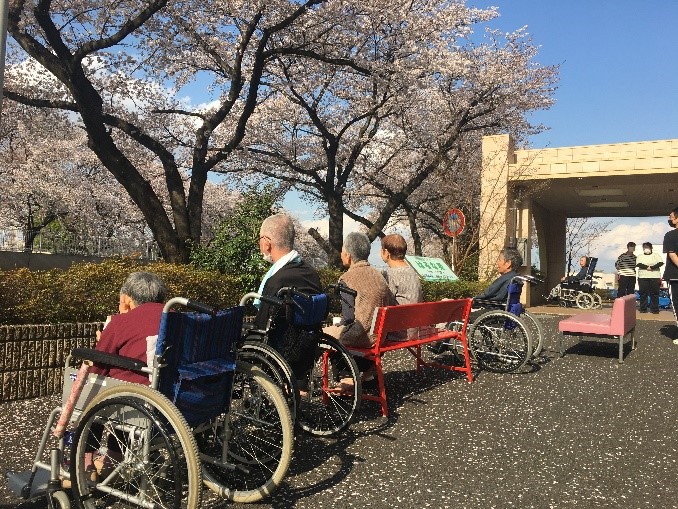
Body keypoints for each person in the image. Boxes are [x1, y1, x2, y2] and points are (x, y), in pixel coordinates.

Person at [252, 213, 322, 374]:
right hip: (306, 353)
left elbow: (260, 326)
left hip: (278, 355)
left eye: (260, 239)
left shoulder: (276, 281)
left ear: (267, 243)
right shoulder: (311, 274)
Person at [90, 271, 167, 385]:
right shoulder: (180, 319)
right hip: (174, 389)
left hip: (131, 389)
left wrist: (104, 340)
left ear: (127, 299)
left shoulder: (121, 322)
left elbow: (98, 369)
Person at [324, 232, 395, 348]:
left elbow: (348, 318)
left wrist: (338, 324)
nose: (341, 254)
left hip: (360, 337)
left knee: (322, 333)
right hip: (380, 337)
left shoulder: (347, 279)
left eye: (342, 251)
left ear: (348, 256)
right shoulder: (379, 275)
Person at [380, 234, 423, 305]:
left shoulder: (390, 274)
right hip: (416, 311)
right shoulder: (412, 271)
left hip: (399, 312)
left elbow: (385, 301)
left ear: (386, 253)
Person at [663, 208, 678, 341]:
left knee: (677, 305)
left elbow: (672, 255)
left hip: (674, 276)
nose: (669, 219)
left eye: (671, 217)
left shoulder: (670, 235)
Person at [636, 242, 663, 314]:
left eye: (647, 247)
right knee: (643, 293)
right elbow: (639, 264)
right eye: (644, 247)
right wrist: (647, 267)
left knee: (654, 293)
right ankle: (643, 309)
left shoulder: (656, 255)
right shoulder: (640, 256)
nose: (646, 249)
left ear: (651, 248)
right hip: (643, 277)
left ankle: (655, 309)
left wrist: (652, 267)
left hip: (655, 276)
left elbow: (660, 263)